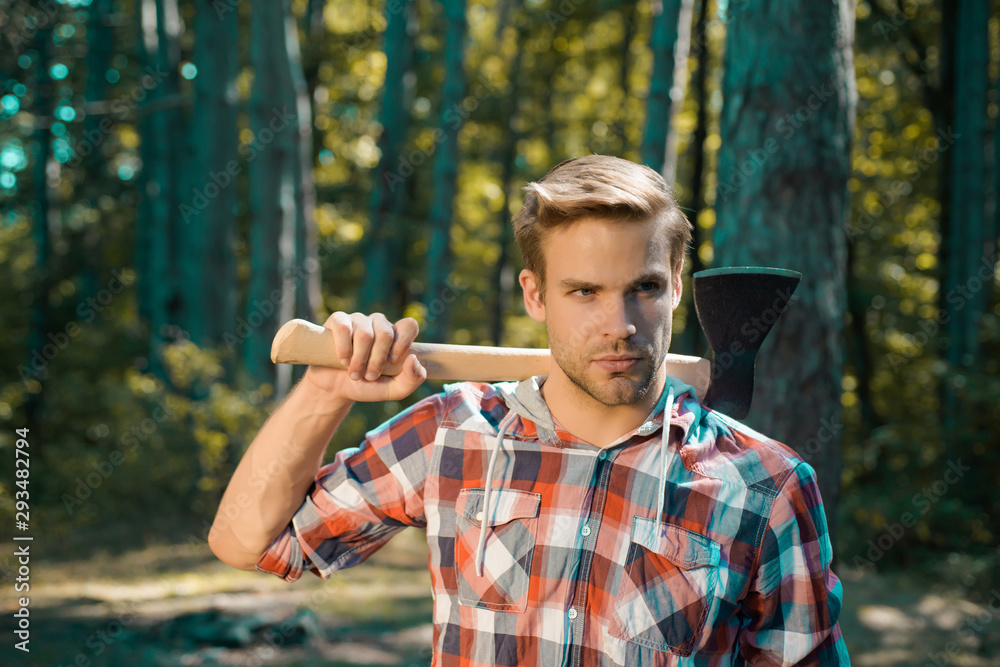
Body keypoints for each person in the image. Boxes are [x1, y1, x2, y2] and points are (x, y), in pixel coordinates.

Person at [209, 155, 850, 665]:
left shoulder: (767, 484)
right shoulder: (451, 435)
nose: (620, 325)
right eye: (584, 292)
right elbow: (249, 543)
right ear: (535, 294)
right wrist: (325, 394)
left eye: (644, 288)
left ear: (677, 284)